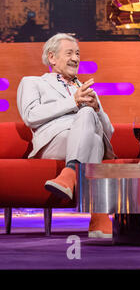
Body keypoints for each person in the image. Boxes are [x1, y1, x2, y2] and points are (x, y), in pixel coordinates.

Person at [17, 33, 115, 238]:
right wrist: (74, 101)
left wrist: (97, 109)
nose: (76, 58)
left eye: (78, 53)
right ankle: (98, 214)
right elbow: (30, 116)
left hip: (85, 140)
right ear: (52, 57)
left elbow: (109, 133)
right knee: (93, 139)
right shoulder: (33, 82)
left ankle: (70, 173)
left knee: (94, 134)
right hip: (53, 142)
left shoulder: (88, 90)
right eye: (69, 53)